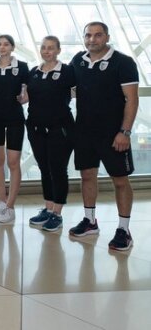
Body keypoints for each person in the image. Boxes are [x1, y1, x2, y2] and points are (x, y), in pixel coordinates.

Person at [69, 22, 138, 251]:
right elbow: (66, 86)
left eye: (98, 35)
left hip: (114, 134)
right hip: (84, 131)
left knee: (120, 181)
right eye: (88, 35)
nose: (92, 39)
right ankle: (90, 221)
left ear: (107, 37)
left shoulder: (123, 62)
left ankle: (124, 230)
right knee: (87, 176)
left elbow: (132, 99)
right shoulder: (78, 60)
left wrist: (124, 132)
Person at [26, 36, 75, 232]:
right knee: (44, 168)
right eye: (44, 47)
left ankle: (57, 213)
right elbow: (26, 96)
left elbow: (80, 91)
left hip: (60, 129)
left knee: (58, 169)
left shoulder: (67, 71)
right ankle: (48, 208)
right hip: (36, 128)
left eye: (51, 48)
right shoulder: (34, 72)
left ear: (58, 50)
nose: (46, 51)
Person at [0, 34, 29, 224]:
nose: (2, 47)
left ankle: (10, 206)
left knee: (13, 162)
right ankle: (2, 200)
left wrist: (25, 97)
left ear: (12, 47)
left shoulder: (22, 67)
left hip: (14, 119)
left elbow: (28, 90)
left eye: (6, 44)